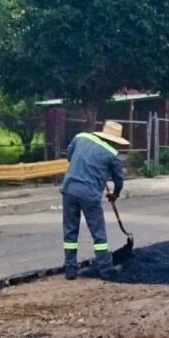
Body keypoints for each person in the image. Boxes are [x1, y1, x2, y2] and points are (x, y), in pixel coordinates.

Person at [61, 120, 129, 280]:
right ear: (115, 140)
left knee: (70, 232)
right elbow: (119, 180)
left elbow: (70, 156)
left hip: (69, 190)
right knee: (98, 234)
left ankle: (70, 270)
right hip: (89, 195)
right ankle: (106, 270)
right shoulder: (112, 155)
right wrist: (115, 195)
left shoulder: (80, 138)